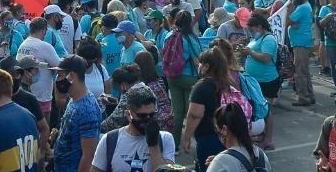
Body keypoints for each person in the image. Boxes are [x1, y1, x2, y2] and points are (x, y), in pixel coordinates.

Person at [90, 85, 173, 172]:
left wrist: (153, 144)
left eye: (152, 115)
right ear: (128, 114)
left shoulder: (165, 139)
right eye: (142, 116)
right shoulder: (109, 140)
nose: (148, 119)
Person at [52, 55, 103, 172]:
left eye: (60, 75)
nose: (57, 80)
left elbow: (88, 155)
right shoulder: (73, 99)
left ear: (72, 76)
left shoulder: (87, 109)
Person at [167, 11, 204, 145]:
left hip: (172, 77)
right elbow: (197, 60)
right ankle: (193, 142)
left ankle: (175, 145)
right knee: (192, 113)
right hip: (189, 77)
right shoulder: (190, 38)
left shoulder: (169, 36)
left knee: (177, 112)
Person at [204, 102, 268, 172]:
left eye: (217, 129)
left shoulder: (220, 162)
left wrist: (217, 164)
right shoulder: (261, 155)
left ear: (224, 129)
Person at [286, 0, 315, 107]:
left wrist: (289, 9)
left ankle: (303, 97)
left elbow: (288, 20)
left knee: (300, 72)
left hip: (300, 43)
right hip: (301, 42)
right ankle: (309, 95)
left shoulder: (302, 7)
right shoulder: (305, 6)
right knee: (305, 71)